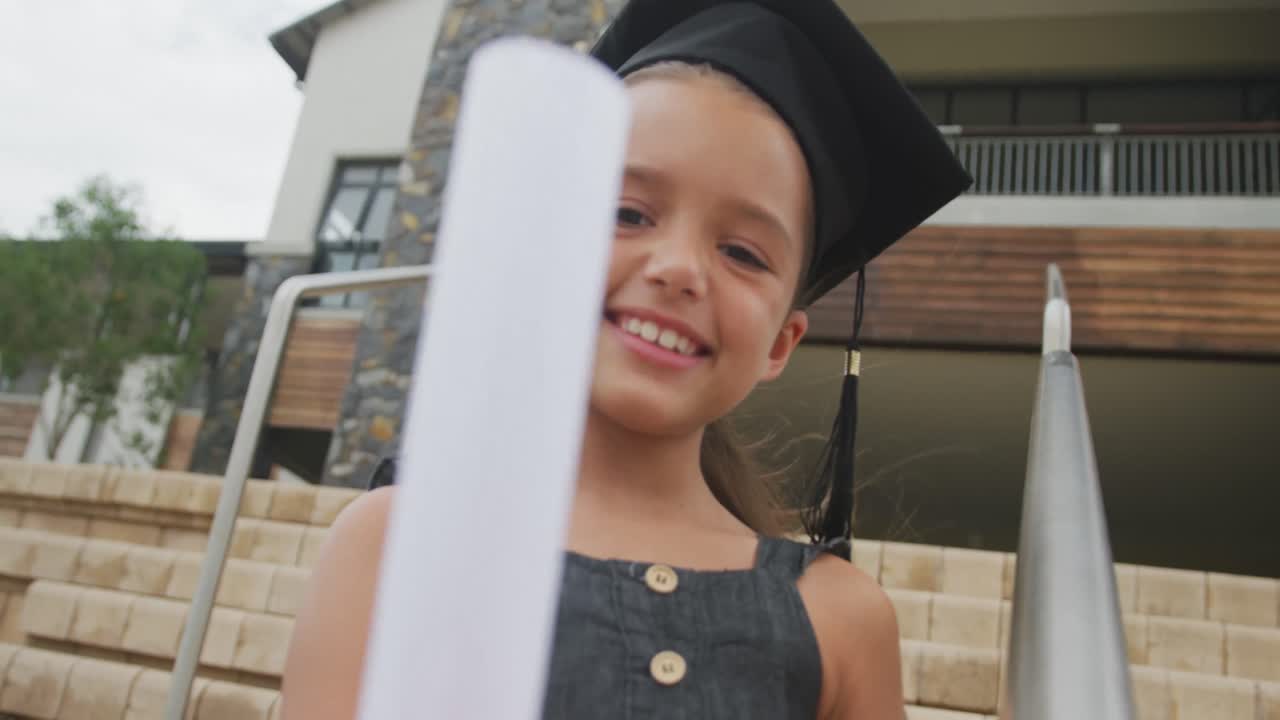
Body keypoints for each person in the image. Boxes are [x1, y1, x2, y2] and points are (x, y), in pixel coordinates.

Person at [281, 0, 970, 718]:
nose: (678, 269)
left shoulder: (840, 619)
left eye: (741, 252)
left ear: (780, 343)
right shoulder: (396, 543)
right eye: (627, 213)